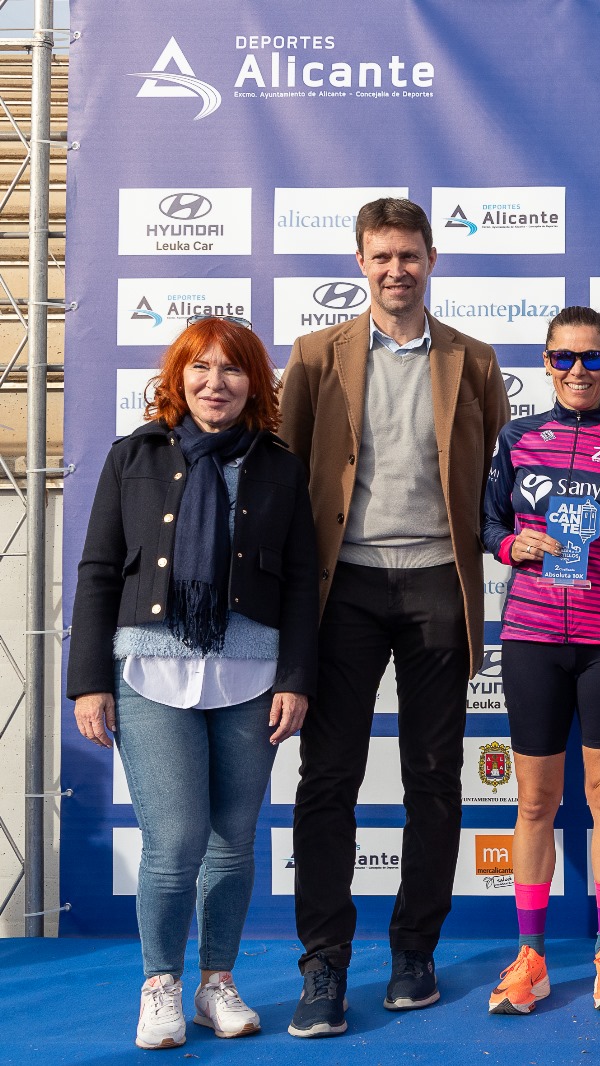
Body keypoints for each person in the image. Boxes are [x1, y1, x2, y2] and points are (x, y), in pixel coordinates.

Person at [279, 197, 510, 1037]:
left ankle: (415, 950)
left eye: (409, 255)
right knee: (328, 777)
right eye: (380, 256)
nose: (395, 270)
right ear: (360, 262)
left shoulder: (474, 360)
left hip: (439, 586)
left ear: (432, 260)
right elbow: (288, 475)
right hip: (342, 590)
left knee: (435, 776)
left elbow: (492, 476)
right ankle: (324, 962)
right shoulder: (315, 357)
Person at [68, 317, 317, 1049]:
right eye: (201, 367)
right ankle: (160, 986)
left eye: (232, 369)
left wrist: (295, 677)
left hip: (250, 673)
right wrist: (89, 682)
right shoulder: (133, 456)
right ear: (178, 377)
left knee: (232, 844)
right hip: (150, 670)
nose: (215, 383)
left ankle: (216, 983)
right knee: (175, 842)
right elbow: (98, 570)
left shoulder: (280, 466)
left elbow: (302, 582)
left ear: (254, 384)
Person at [480, 305, 600, 1015]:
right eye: (564, 357)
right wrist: (510, 545)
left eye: (592, 357)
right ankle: (530, 955)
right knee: (534, 801)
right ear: (546, 362)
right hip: (531, 638)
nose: (578, 370)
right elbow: (487, 520)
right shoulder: (517, 437)